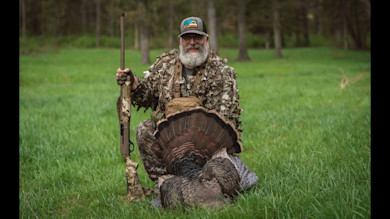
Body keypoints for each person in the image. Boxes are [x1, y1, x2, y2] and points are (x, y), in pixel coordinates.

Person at [116, 16, 257, 208]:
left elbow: (224, 121)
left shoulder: (221, 72)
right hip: (172, 150)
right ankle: (165, 182)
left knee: (222, 173)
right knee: (145, 129)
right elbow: (146, 95)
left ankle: (192, 184)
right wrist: (133, 84)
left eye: (197, 38)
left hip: (207, 151)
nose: (192, 42)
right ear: (179, 40)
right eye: (187, 37)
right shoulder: (165, 64)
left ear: (206, 40)